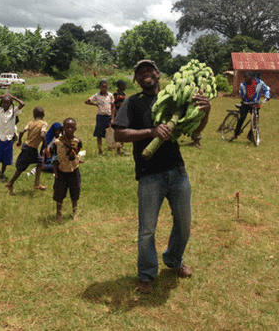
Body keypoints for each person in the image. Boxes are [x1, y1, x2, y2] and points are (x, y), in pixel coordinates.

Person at [113, 59, 211, 294]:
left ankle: (174, 260)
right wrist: (152, 132)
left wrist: (206, 110)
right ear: (136, 80)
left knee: (184, 224)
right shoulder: (132, 102)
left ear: (158, 74)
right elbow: (118, 134)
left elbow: (195, 129)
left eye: (150, 70)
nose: (146, 74)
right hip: (149, 175)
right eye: (140, 72)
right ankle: (146, 273)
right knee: (147, 229)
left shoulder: (175, 97)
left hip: (177, 171)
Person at [5, 107, 49, 193]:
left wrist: (20, 141)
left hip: (27, 146)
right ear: (43, 115)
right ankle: (10, 183)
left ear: (33, 115)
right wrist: (46, 146)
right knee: (22, 168)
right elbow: (42, 135)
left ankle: (36, 183)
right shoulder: (44, 124)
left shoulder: (30, 123)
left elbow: (21, 132)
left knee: (39, 162)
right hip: (31, 149)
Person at [52, 118, 83, 223]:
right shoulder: (57, 142)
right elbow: (54, 158)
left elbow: (77, 152)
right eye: (67, 127)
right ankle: (58, 213)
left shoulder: (77, 141)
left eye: (72, 127)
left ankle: (74, 213)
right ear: (63, 128)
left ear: (75, 129)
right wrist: (55, 172)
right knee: (59, 194)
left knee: (75, 192)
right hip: (61, 171)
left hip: (74, 170)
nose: (69, 129)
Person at [0, 93, 24, 180]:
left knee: (6, 158)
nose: (6, 105)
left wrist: (13, 97)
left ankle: (2, 173)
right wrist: (1, 96)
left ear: (11, 103)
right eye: (4, 103)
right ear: (2, 103)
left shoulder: (13, 111)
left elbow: (22, 104)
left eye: (8, 103)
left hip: (8, 138)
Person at [230, 72, 270, 141]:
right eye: (244, 77)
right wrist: (242, 99)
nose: (245, 79)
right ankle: (235, 134)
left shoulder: (259, 83)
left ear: (251, 77)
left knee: (255, 120)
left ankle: (250, 135)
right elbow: (241, 93)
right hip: (246, 104)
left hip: (255, 104)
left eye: (246, 77)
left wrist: (267, 96)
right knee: (242, 118)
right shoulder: (242, 85)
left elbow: (266, 89)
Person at [85, 80, 114, 155]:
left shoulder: (110, 95)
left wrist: (112, 117)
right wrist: (95, 104)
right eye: (103, 87)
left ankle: (110, 147)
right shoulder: (97, 96)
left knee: (109, 132)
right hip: (100, 116)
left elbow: (113, 107)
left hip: (108, 116)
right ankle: (100, 149)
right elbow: (87, 101)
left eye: (106, 87)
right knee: (99, 134)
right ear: (99, 87)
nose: (104, 89)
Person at [113, 80, 127, 155]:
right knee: (119, 131)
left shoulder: (122, 93)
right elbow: (115, 105)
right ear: (120, 86)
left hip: (121, 113)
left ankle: (121, 147)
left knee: (122, 131)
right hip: (118, 114)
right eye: (124, 85)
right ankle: (119, 150)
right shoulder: (116, 94)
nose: (125, 87)